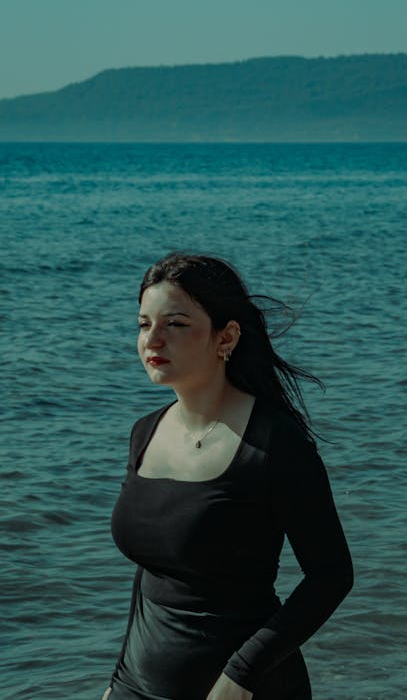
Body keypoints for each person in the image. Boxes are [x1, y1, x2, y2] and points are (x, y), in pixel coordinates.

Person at [102, 252, 353, 700]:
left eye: (175, 324)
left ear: (227, 336)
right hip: (138, 688)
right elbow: (149, 580)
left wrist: (241, 676)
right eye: (144, 324)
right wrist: (118, 682)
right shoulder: (144, 433)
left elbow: (331, 575)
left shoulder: (275, 444)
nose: (153, 340)